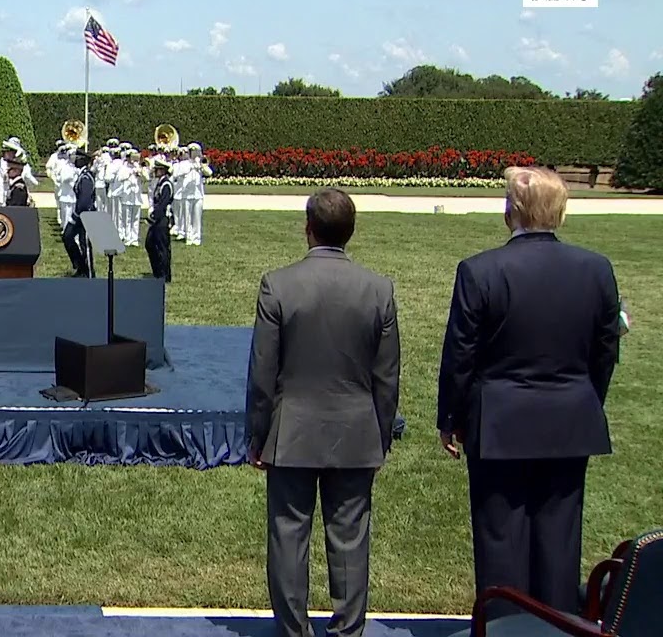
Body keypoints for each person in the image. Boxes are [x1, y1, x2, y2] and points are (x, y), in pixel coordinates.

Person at [436, 166, 620, 620]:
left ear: (510, 211)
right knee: (560, 539)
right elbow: (605, 351)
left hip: (500, 422)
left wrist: (450, 418)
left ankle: (503, 628)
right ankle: (557, 626)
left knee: (500, 538)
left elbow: (461, 355)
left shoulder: (481, 271)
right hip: (568, 418)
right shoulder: (596, 270)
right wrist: (584, 399)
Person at [245, 187, 401, 637]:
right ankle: (348, 630)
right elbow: (386, 376)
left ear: (307, 229)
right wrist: (382, 433)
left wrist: (257, 434)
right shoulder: (378, 289)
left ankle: (293, 630)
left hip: (291, 428)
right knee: (350, 537)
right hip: (355, 429)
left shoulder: (279, 284)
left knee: (288, 535)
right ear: (349, 233)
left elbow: (262, 371)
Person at [63, 150, 96, 278]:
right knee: (67, 237)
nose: (75, 160)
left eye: (77, 158)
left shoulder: (86, 177)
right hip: (79, 214)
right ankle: (80, 266)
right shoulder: (82, 175)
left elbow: (84, 201)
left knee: (85, 244)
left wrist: (74, 216)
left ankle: (89, 272)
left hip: (86, 215)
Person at [144, 157, 173, 282]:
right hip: (157, 220)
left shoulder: (166, 184)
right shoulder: (160, 183)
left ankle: (164, 274)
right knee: (150, 244)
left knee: (162, 247)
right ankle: (157, 271)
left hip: (162, 220)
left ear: (163, 170)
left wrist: (154, 217)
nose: (155, 172)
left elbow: (163, 203)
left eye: (158, 170)